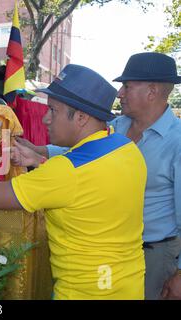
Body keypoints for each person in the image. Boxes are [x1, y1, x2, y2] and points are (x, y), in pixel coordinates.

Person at [0, 64, 147, 299]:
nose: (45, 119)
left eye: (53, 110)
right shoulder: (126, 147)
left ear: (82, 117)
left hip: (86, 291)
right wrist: (40, 159)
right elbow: (87, 186)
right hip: (128, 284)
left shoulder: (65, 170)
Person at [20, 53, 181, 300]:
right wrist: (38, 151)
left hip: (154, 254)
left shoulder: (177, 141)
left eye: (127, 86)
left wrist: (180, 273)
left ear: (152, 91)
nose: (120, 94)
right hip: (104, 255)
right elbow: (84, 153)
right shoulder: (118, 127)